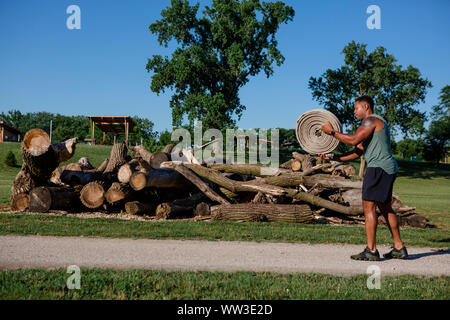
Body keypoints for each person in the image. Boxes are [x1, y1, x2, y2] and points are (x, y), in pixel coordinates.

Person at [318, 96, 408, 261]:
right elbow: (356, 151)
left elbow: (353, 139)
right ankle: (399, 248)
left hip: (378, 168)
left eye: (355, 108)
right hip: (386, 168)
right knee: (386, 208)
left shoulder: (371, 121)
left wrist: (331, 132)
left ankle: (371, 251)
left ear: (365, 106)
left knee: (369, 208)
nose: (354, 111)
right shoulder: (372, 126)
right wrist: (332, 157)